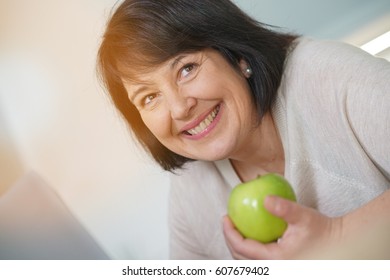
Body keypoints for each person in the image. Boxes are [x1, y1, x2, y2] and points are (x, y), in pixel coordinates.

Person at [97, 0, 390, 259]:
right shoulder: (191, 192)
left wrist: (336, 236)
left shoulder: (328, 75)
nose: (178, 108)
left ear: (237, 56)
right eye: (149, 97)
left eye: (186, 69)